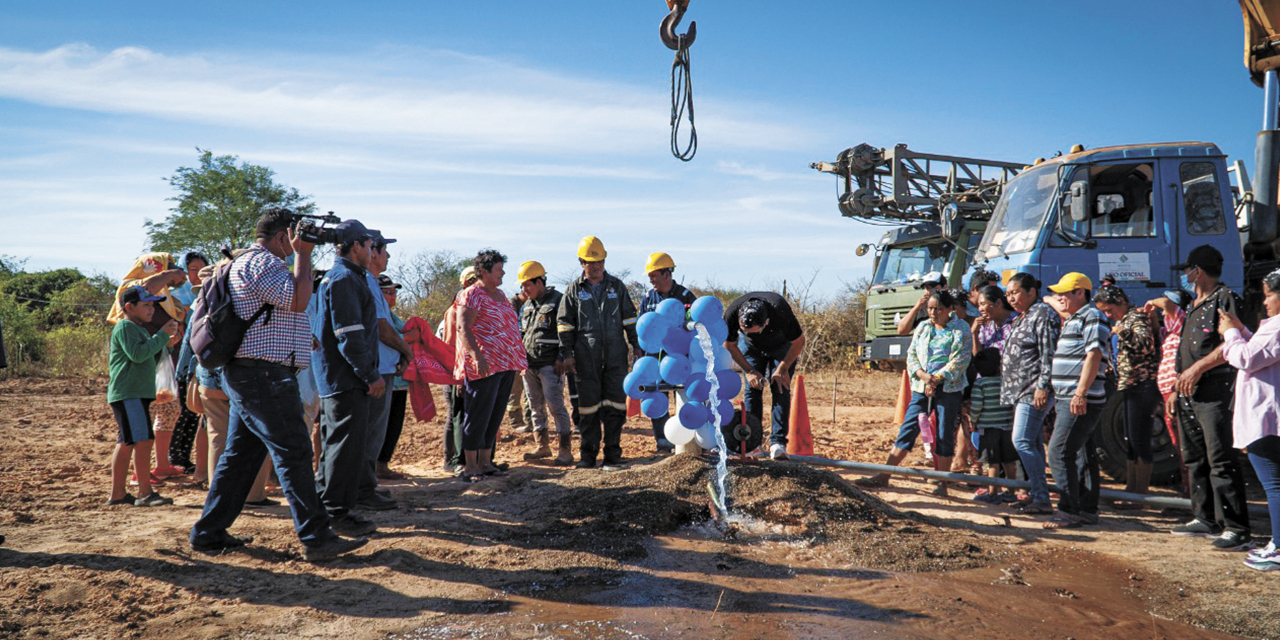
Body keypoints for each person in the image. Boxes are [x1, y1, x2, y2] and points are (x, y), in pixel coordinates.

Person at [190, 207, 366, 561]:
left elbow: (274, 315)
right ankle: (316, 537)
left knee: (240, 457)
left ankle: (208, 532)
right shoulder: (265, 263)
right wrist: (302, 255)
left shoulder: (249, 263)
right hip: (264, 376)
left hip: (253, 373)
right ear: (283, 235)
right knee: (295, 451)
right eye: (296, 235)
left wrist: (302, 340)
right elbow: (299, 300)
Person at [1170, 245, 1253, 550]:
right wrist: (1176, 385)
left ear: (1198, 271)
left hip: (1214, 391)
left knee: (1220, 458)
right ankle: (1204, 517)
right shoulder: (1194, 304)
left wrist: (1198, 368)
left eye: (1188, 270)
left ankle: (1236, 528)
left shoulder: (1225, 299)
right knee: (1194, 457)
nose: (1185, 276)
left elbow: (1236, 339)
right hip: (1188, 393)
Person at [311, 220, 386, 536]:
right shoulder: (344, 280)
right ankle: (337, 514)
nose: (372, 253)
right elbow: (349, 335)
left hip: (337, 377)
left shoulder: (342, 277)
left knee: (335, 444)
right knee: (344, 447)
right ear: (357, 245)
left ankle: (324, 505)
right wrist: (369, 375)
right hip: (346, 378)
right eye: (370, 247)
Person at [857, 289, 971, 494]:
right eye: (930, 308)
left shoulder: (961, 328)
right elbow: (912, 355)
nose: (934, 313)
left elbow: (960, 360)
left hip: (948, 389)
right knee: (909, 428)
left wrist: (937, 378)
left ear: (949, 309)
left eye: (939, 309)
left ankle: (941, 483)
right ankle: (884, 475)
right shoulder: (923, 327)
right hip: (921, 388)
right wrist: (922, 375)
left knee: (944, 433)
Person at [557, 236, 641, 469]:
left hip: (616, 356)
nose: (597, 266)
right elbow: (564, 324)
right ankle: (588, 456)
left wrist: (636, 346)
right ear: (581, 262)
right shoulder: (573, 290)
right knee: (588, 408)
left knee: (615, 406)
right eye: (592, 262)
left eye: (600, 261)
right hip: (585, 358)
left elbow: (630, 319)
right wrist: (568, 353)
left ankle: (613, 455)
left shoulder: (617, 287)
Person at [107, 252, 189, 479]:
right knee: (135, 436)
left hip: (158, 364)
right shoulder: (133, 291)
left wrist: (169, 343)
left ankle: (158, 468)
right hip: (137, 378)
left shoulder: (162, 296)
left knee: (165, 414)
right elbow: (138, 353)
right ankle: (136, 480)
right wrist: (169, 274)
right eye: (167, 267)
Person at [1219, 269, 1280, 569]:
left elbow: (1247, 358)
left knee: (1274, 486)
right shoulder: (1273, 328)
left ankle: (1279, 547)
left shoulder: (1279, 326)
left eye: (1270, 294)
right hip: (1267, 417)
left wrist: (1231, 333)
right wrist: (1240, 330)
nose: (1265, 301)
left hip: (1266, 420)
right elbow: (1258, 350)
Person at [1042, 273, 1110, 529]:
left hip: (1079, 397)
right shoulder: (1076, 317)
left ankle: (1069, 510)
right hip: (1070, 396)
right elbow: (1056, 302)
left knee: (1059, 451)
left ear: (1080, 293)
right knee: (1081, 453)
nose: (1060, 298)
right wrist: (1052, 301)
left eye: (1065, 293)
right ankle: (1086, 510)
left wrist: (1080, 392)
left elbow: (1094, 353)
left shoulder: (1091, 316)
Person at [455, 249, 528, 481]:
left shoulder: (501, 294)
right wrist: (477, 356)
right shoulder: (472, 294)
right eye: (498, 269)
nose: (503, 273)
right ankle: (470, 466)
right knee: (477, 414)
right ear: (484, 271)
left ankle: (486, 463)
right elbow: (463, 328)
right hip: (485, 364)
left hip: (506, 364)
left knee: (494, 415)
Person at [106, 286, 182, 507]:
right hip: (129, 393)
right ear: (130, 307)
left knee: (134, 440)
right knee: (133, 440)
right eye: (146, 305)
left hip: (136, 393)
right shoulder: (125, 327)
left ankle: (123, 494)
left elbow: (148, 354)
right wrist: (161, 336)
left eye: (152, 305)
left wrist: (166, 345)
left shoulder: (138, 329)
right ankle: (139, 493)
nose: (151, 310)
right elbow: (138, 355)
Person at [356, 232, 411, 511]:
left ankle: (365, 487)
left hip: (382, 367)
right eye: (383, 250)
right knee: (371, 431)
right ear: (371, 252)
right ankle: (363, 490)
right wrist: (406, 349)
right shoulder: (367, 281)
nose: (388, 256)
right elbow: (381, 327)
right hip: (375, 369)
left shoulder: (368, 282)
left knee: (374, 431)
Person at [1093, 283, 1160, 509]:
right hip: (1131, 385)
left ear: (1120, 303)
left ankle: (1140, 493)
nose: (1108, 315)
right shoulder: (1125, 320)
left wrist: (1122, 331)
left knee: (1139, 439)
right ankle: (1132, 490)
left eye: (1109, 310)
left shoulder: (1136, 318)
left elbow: (1145, 345)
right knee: (1131, 439)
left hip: (1143, 384)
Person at [999, 272, 1061, 515]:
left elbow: (1049, 352)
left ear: (1031, 292)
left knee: (1021, 440)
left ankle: (1042, 498)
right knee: (1032, 441)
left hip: (1032, 389)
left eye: (1014, 292)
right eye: (1008, 294)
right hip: (1019, 390)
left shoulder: (1043, 314)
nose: (1010, 298)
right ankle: (1037, 494)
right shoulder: (1023, 316)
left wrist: (1043, 386)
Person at [724, 291, 807, 461]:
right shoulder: (732, 312)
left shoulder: (779, 309)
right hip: (751, 350)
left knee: (780, 385)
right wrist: (748, 371)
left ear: (767, 322)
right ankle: (752, 443)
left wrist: (782, 368)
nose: (750, 333)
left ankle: (778, 443)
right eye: (746, 331)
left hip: (781, 346)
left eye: (754, 332)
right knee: (752, 388)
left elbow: (798, 341)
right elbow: (730, 345)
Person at [638, 252, 698, 453]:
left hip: (680, 356)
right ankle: (663, 441)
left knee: (682, 395)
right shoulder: (648, 298)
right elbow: (643, 326)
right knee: (656, 394)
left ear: (666, 274)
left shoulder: (685, 296)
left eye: (654, 275)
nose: (651, 280)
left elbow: (695, 324)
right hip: (654, 356)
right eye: (650, 276)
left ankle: (686, 440)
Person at [515, 261, 574, 464]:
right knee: (535, 407)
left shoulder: (559, 301)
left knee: (556, 406)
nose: (524, 290)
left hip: (551, 365)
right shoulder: (527, 306)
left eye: (527, 285)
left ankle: (564, 450)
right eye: (522, 286)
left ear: (539, 281)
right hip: (529, 365)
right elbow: (521, 334)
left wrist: (562, 357)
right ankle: (542, 446)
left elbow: (567, 331)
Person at [442, 266, 479, 472]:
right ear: (465, 283)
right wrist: (457, 375)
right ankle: (454, 460)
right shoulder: (455, 310)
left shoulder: (477, 305)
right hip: (457, 371)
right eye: (472, 280)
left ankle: (469, 459)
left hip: (472, 370)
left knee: (470, 414)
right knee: (455, 415)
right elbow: (449, 344)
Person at [375, 274, 412, 480]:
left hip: (399, 379)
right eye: (387, 292)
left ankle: (383, 465)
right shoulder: (376, 315)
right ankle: (374, 466)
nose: (392, 296)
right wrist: (408, 339)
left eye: (394, 292)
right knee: (381, 424)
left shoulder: (394, 317)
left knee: (394, 424)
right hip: (383, 376)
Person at [970, 347, 1017, 504]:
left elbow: (976, 406)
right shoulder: (1005, 382)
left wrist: (973, 420)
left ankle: (992, 494)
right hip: (1007, 427)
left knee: (992, 462)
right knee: (1009, 461)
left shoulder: (980, 384)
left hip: (988, 428)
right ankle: (1011, 492)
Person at [896, 271, 946, 336]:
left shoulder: (949, 307)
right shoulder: (922, 309)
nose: (927, 291)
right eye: (925, 288)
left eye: (930, 288)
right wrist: (916, 309)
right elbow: (902, 331)